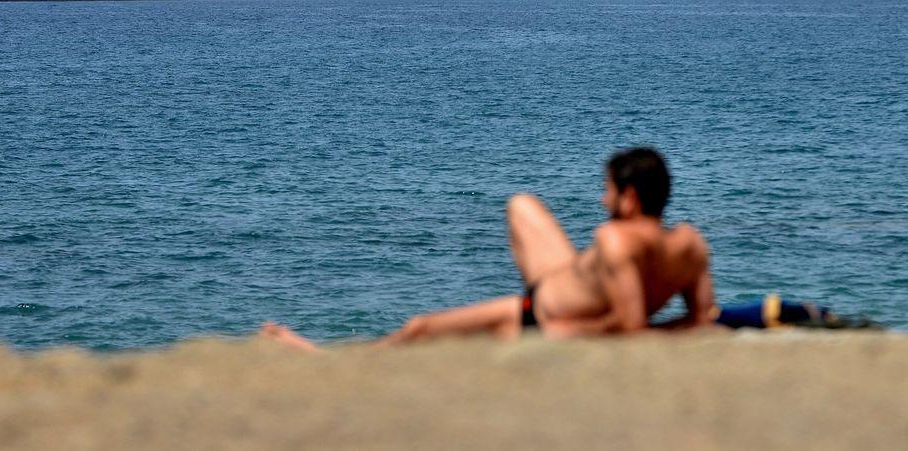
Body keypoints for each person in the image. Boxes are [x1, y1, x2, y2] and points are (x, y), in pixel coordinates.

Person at [261, 147, 717, 351]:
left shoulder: (613, 240)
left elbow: (630, 330)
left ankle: (317, 357)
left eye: (608, 192)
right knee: (521, 205)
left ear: (631, 197)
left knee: (420, 329)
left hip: (537, 312)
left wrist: (557, 332)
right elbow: (703, 318)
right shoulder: (691, 243)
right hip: (566, 276)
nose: (602, 201)